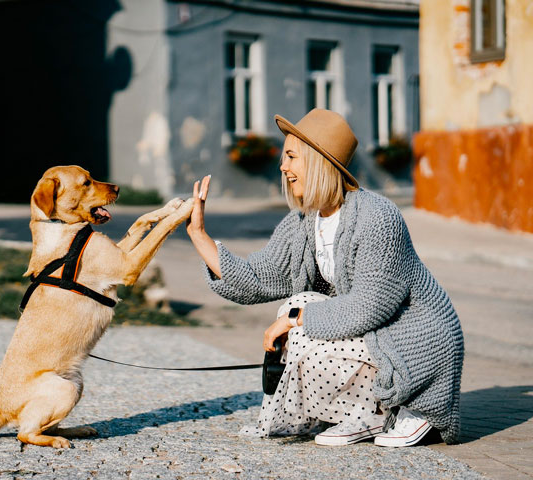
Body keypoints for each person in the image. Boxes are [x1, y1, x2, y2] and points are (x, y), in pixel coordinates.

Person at [186, 109, 464, 447]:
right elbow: (259, 278)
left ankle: (397, 408)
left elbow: (369, 307)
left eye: (291, 157)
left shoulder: (378, 217)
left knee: (299, 317)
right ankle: (360, 413)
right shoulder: (304, 221)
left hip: (416, 341)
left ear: (318, 161)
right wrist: (199, 235)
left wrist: (294, 321)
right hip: (375, 336)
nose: (282, 167)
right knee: (297, 305)